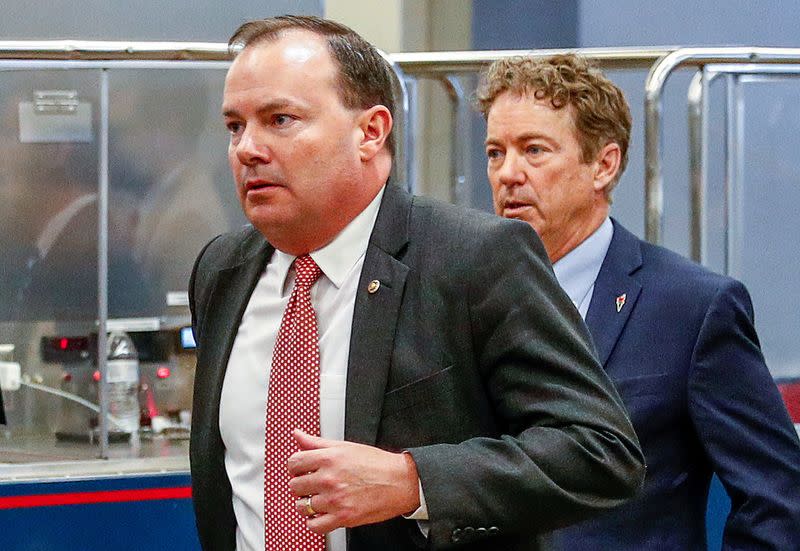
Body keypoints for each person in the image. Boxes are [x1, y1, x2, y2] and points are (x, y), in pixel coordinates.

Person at [189, 16, 644, 551]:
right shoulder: (222, 271)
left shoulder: (475, 259)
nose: (247, 149)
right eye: (234, 127)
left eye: (280, 119)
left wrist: (414, 481)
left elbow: (600, 452)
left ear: (371, 132)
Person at [479, 53, 800, 550]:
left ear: (603, 165)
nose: (508, 174)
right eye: (495, 153)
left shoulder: (692, 307)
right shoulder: (464, 292)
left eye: (534, 150)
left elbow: (777, 499)